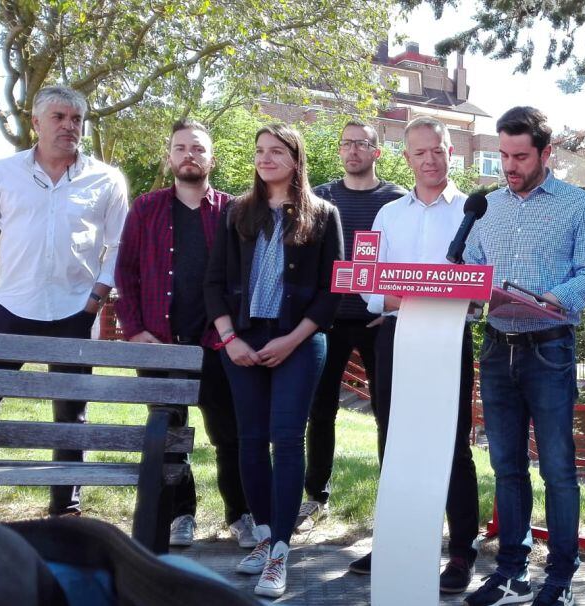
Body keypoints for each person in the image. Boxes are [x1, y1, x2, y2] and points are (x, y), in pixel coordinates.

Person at [462, 106, 585, 606]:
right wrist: (466, 278)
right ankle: (511, 574)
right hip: (496, 346)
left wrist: (555, 298)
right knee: (505, 467)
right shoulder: (488, 207)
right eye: (503, 155)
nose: (509, 165)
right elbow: (474, 267)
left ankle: (562, 578)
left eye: (520, 156)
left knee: (558, 469)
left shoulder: (577, 204)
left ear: (546, 153)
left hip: (549, 348)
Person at [203, 123, 343, 598]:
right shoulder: (237, 213)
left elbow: (330, 293)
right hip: (242, 342)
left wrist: (293, 340)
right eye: (259, 151)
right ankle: (263, 537)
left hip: (298, 344)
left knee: (286, 440)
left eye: (276, 151)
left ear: (295, 158)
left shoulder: (323, 215)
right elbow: (214, 283)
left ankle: (281, 553)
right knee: (250, 440)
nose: (265, 158)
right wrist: (229, 339)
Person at [346, 116, 481, 595]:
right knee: (395, 437)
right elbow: (368, 286)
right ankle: (397, 542)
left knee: (452, 443)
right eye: (420, 152)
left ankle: (462, 550)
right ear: (405, 157)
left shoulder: (475, 211)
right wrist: (415, 296)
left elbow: (480, 289)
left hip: (449, 339)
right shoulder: (388, 215)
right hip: (396, 336)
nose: (430, 159)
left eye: (438, 150)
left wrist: (427, 294)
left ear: (451, 152)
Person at [114, 119, 253, 549]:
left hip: (218, 342)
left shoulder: (235, 210)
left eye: (197, 148)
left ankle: (241, 513)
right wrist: (134, 328)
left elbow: (246, 277)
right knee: (171, 436)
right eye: (179, 148)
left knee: (230, 433)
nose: (188, 155)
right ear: (169, 156)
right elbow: (127, 271)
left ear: (213, 158)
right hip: (160, 343)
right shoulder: (146, 208)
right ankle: (181, 515)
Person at [0, 85, 128, 516]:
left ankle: (64, 510)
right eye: (59, 117)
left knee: (71, 414)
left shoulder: (106, 179)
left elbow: (120, 246)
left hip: (75, 310)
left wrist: (95, 299)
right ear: (35, 123)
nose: (69, 126)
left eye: (76, 119)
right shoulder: (3, 173)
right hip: (10, 307)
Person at [298, 120, 407, 533]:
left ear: (377, 152)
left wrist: (389, 306)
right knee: (320, 410)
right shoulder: (320, 197)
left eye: (362, 144)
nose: (353, 151)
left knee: (387, 413)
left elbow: (402, 261)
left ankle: (391, 498)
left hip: (380, 322)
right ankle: (315, 498)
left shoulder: (397, 199)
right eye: (347, 144)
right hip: (327, 321)